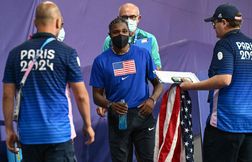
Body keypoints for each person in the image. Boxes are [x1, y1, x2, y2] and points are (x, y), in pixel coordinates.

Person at [2, 1, 94, 162]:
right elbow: (81, 95)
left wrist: (9, 130)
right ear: (58, 22)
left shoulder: (15, 54)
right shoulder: (67, 53)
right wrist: (87, 124)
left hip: (29, 136)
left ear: (35, 23)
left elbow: (8, 96)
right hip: (58, 135)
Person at [180, 3, 252, 162]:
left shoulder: (225, 44)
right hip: (248, 124)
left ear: (224, 23)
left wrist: (191, 85)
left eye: (215, 23)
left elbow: (224, 79)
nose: (213, 27)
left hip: (225, 123)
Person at [90, 17, 163, 162]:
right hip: (118, 117)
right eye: (116, 32)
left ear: (130, 34)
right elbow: (96, 96)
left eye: (124, 31)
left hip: (143, 114)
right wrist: (110, 105)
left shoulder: (143, 54)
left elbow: (158, 84)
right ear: (109, 35)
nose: (120, 35)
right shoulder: (100, 61)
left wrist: (152, 100)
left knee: (147, 159)